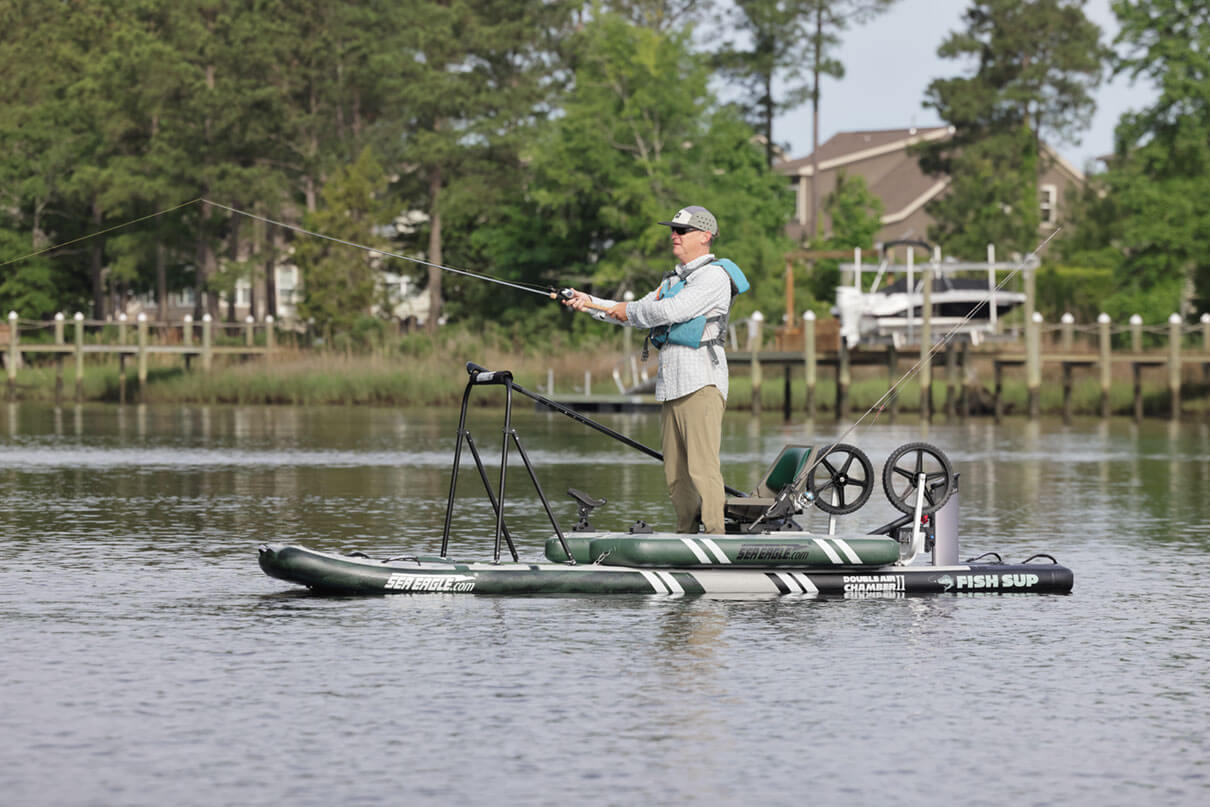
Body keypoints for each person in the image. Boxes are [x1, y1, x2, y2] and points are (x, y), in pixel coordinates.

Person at [562, 205, 747, 535]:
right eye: (672, 230)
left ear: (705, 237)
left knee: (703, 468)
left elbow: (671, 310)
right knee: (676, 474)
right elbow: (637, 310)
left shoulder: (714, 277)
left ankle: (716, 537)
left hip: (701, 382)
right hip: (671, 386)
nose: (674, 235)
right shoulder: (674, 279)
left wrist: (626, 310)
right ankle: (686, 536)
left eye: (681, 231)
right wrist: (587, 301)